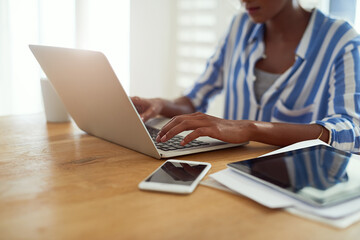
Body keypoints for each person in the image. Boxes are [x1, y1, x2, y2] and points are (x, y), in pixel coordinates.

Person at [131, 0, 360, 152]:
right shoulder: (239, 27)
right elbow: (195, 98)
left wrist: (249, 128)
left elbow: (352, 130)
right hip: (232, 175)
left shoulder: (341, 40)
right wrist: (159, 104)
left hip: (298, 185)